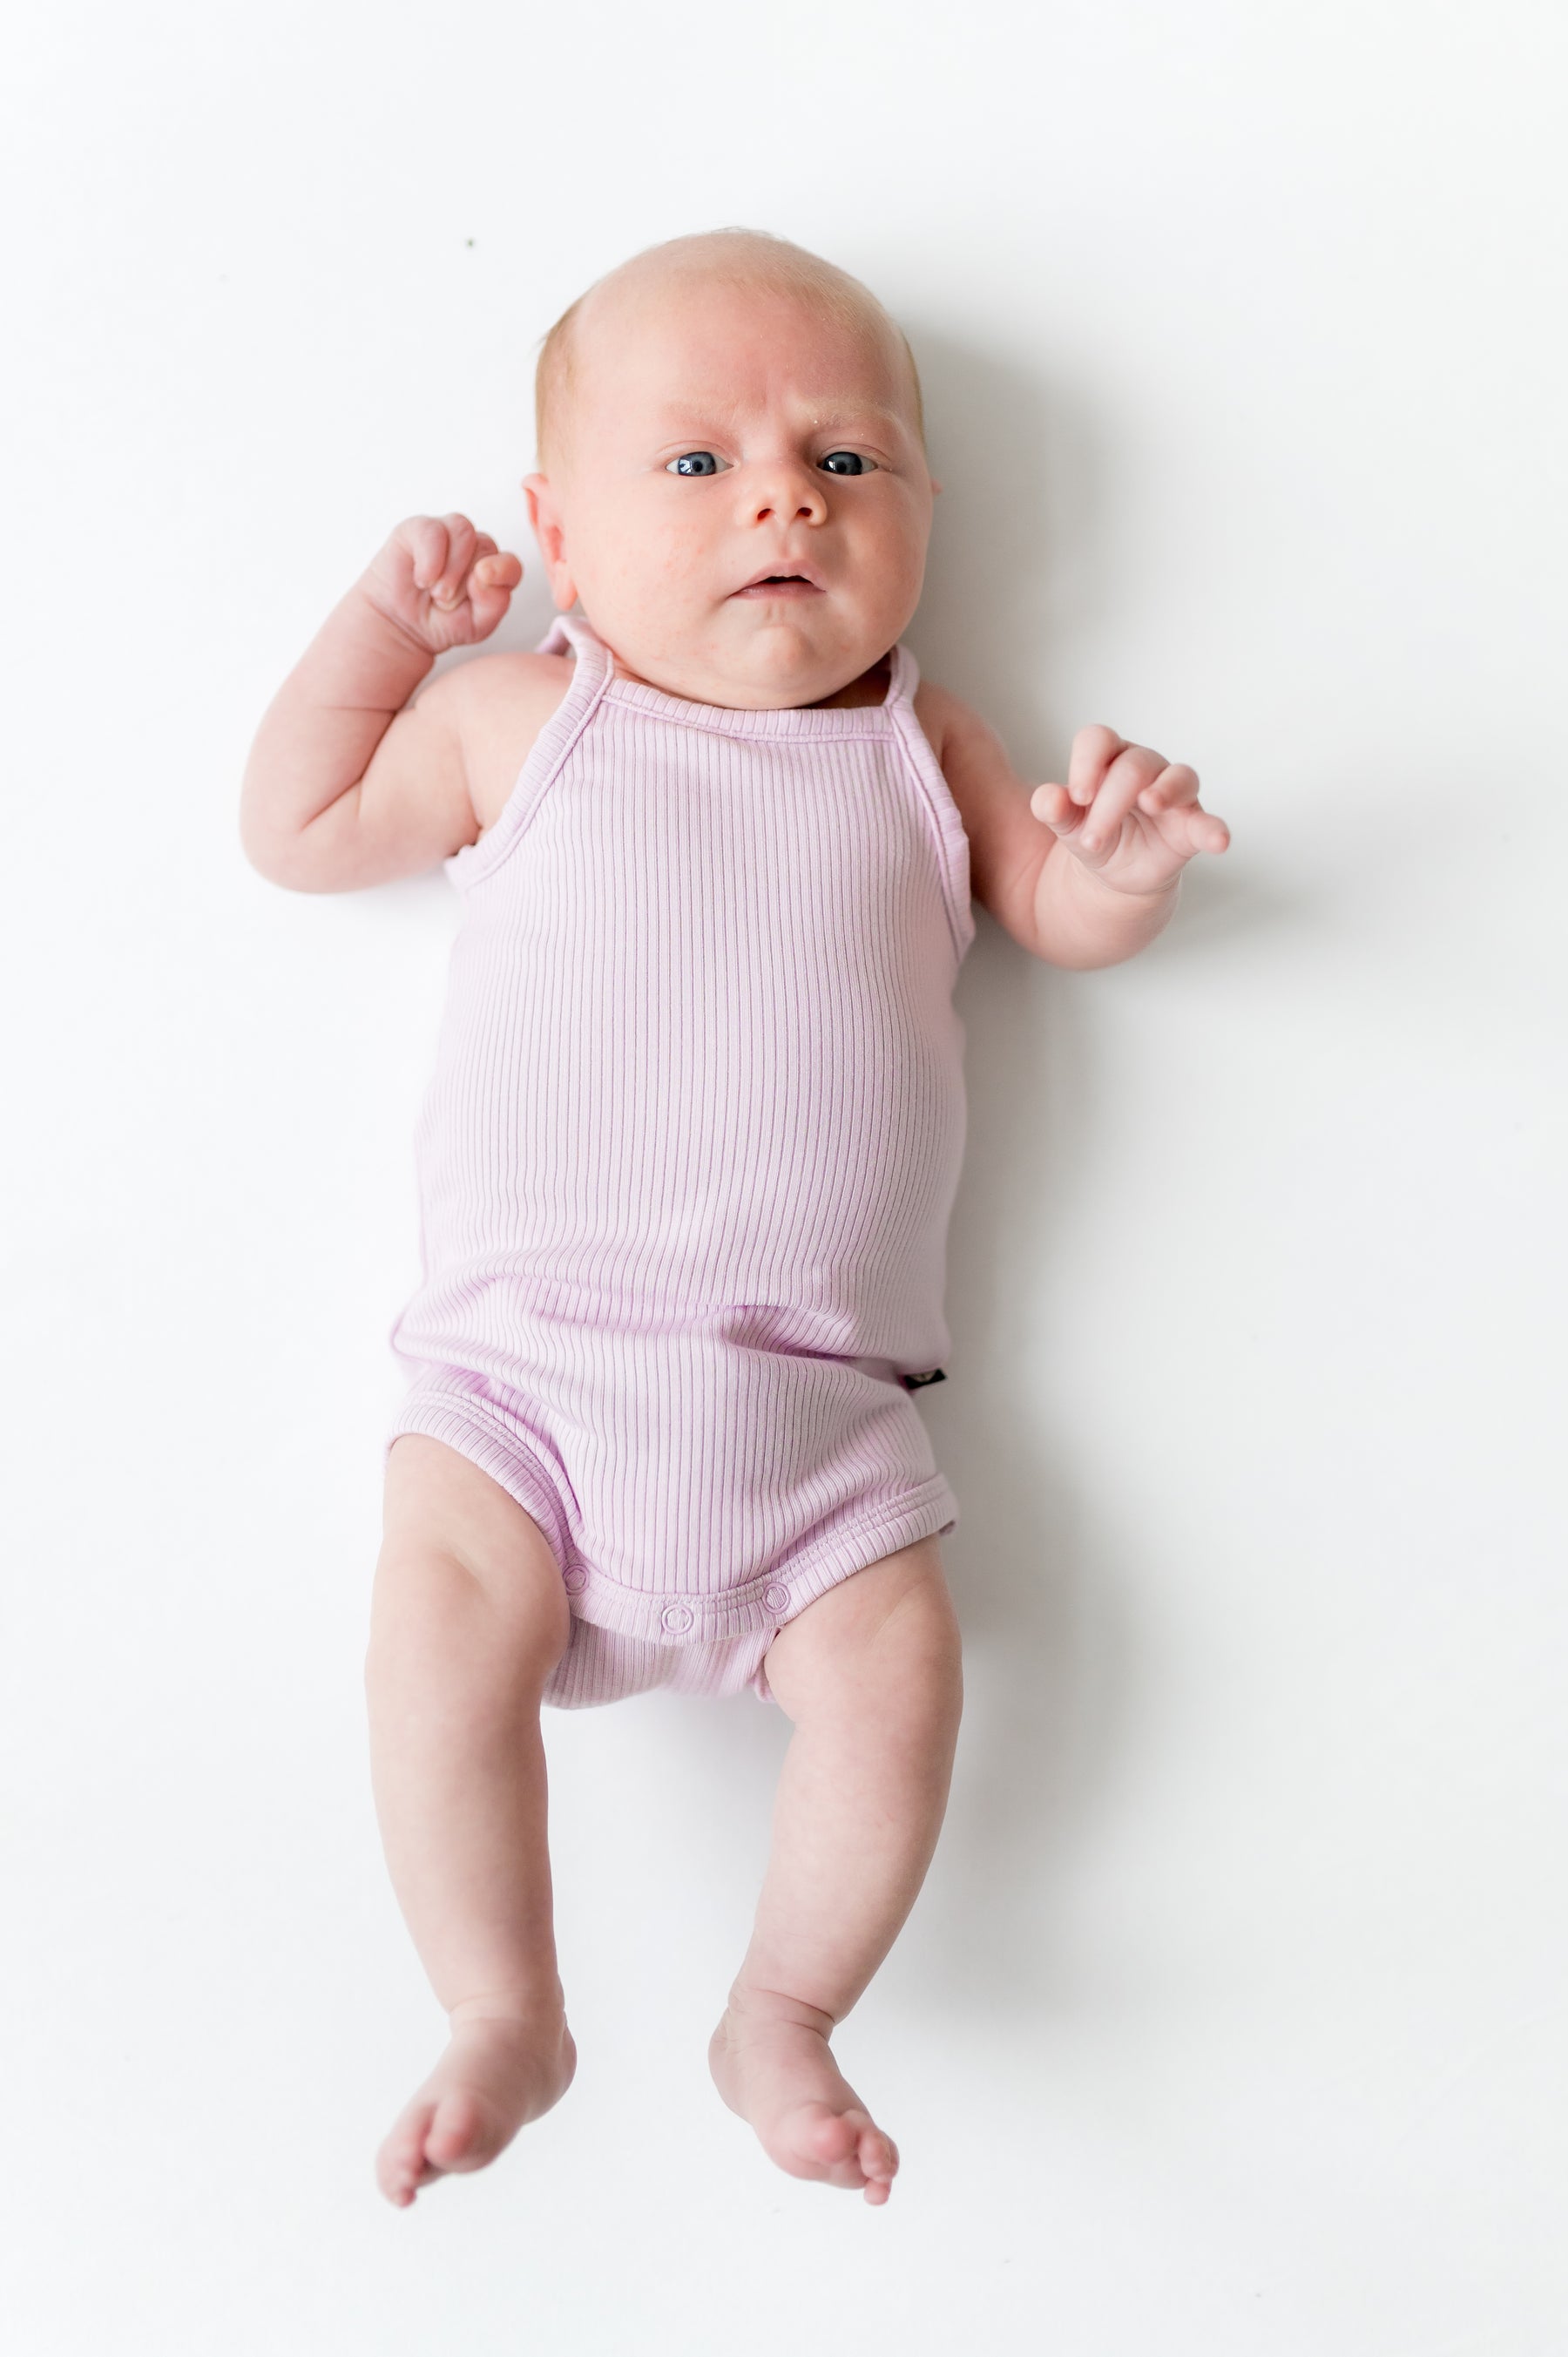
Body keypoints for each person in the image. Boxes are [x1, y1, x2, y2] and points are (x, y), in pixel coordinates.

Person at [239, 227, 1230, 2211]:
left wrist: (1115, 869)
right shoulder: (528, 718)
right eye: (694, 464)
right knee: (432, 1636)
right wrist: (381, 633)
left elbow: (1061, 923)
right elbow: (295, 831)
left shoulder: (920, 750)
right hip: (518, 1389)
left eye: (846, 460)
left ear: (925, 510)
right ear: (560, 534)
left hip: (819, 1429)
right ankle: (499, 2002)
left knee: (902, 1678)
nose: (783, 493)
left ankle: (784, 2007)